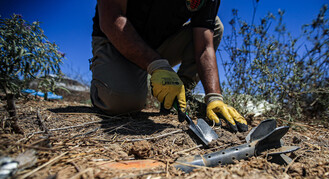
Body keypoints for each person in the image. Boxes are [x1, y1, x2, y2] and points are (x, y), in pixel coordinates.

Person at [90, 0, 248, 132]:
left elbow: (204, 47)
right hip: (117, 40)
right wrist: (156, 64)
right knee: (122, 103)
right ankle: (101, 87)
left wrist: (214, 97)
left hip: (159, 45)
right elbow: (112, 18)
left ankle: (179, 97)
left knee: (215, 27)